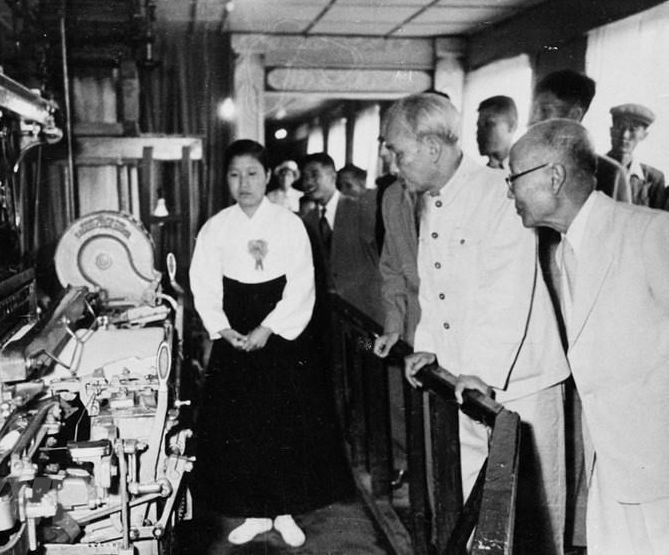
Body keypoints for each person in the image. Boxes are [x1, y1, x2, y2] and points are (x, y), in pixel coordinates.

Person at [373, 93, 570, 553]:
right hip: (465, 384)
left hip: (518, 384)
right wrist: (427, 348)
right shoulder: (431, 199)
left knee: (532, 525)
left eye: (400, 152)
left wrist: (477, 369)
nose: (396, 164)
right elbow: (434, 287)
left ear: (432, 148)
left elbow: (505, 291)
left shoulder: (499, 192)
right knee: (477, 517)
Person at [507, 119, 669, 554]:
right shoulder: (563, 251)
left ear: (554, 177)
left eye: (514, 178)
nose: (509, 193)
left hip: (659, 470)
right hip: (611, 466)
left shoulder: (650, 232)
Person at [189, 140, 347, 547]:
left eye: (252, 174)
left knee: (284, 423)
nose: (244, 183)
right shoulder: (216, 227)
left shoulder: (289, 224)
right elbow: (203, 284)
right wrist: (223, 329)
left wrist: (269, 327)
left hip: (280, 336)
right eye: (235, 174)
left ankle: (284, 511)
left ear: (267, 176)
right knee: (242, 426)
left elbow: (302, 283)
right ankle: (255, 513)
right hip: (234, 336)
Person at [300, 152, 383, 324]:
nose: (308, 182)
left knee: (366, 342)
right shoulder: (307, 221)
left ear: (332, 175)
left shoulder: (361, 209)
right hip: (330, 317)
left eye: (314, 175)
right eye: (305, 177)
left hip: (366, 312)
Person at [529, 69, 629, 203]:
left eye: (545, 110)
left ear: (574, 116)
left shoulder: (609, 174)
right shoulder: (526, 164)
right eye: (534, 110)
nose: (535, 119)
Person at [606, 103, 666, 209]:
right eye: (620, 127)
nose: (625, 135)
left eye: (633, 129)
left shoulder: (653, 179)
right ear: (611, 131)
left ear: (644, 135)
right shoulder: (592, 168)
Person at [476, 95, 517, 169]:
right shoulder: (480, 173)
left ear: (511, 126)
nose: (479, 132)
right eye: (479, 126)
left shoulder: (527, 167)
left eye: (488, 124)